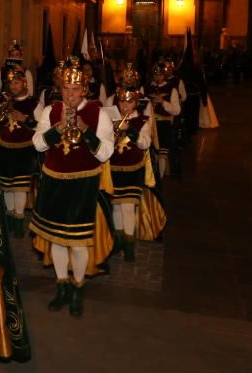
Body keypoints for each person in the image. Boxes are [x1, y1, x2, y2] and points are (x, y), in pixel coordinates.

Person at [30, 57, 114, 317]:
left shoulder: (99, 113)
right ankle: (62, 285)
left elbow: (105, 153)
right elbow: (38, 144)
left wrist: (86, 131)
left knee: (77, 242)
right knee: (55, 238)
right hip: (53, 181)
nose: (70, 95)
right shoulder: (50, 111)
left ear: (84, 90)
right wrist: (57, 129)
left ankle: (78, 286)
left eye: (75, 89)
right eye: (66, 89)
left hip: (83, 184)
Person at [104, 66, 153, 262]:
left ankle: (130, 244)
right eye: (122, 101)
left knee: (128, 207)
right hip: (114, 168)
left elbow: (145, 143)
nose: (125, 105)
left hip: (133, 169)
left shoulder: (143, 120)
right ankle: (119, 241)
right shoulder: (110, 117)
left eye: (129, 102)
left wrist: (130, 130)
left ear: (136, 103)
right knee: (116, 206)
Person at [0, 68, 37, 238]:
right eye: (10, 83)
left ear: (24, 83)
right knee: (7, 187)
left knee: (20, 188)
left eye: (16, 82)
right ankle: (9, 218)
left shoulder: (34, 103)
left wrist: (25, 119)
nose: (13, 86)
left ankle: (19, 220)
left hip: (24, 150)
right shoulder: (5, 101)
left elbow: (41, 127)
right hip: (5, 149)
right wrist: (0, 109)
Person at [149, 63, 182, 178]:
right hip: (149, 124)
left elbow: (177, 110)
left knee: (162, 151)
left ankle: (161, 177)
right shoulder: (147, 87)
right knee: (151, 152)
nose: (158, 77)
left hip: (164, 123)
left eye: (160, 75)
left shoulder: (171, 89)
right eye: (155, 75)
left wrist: (163, 102)